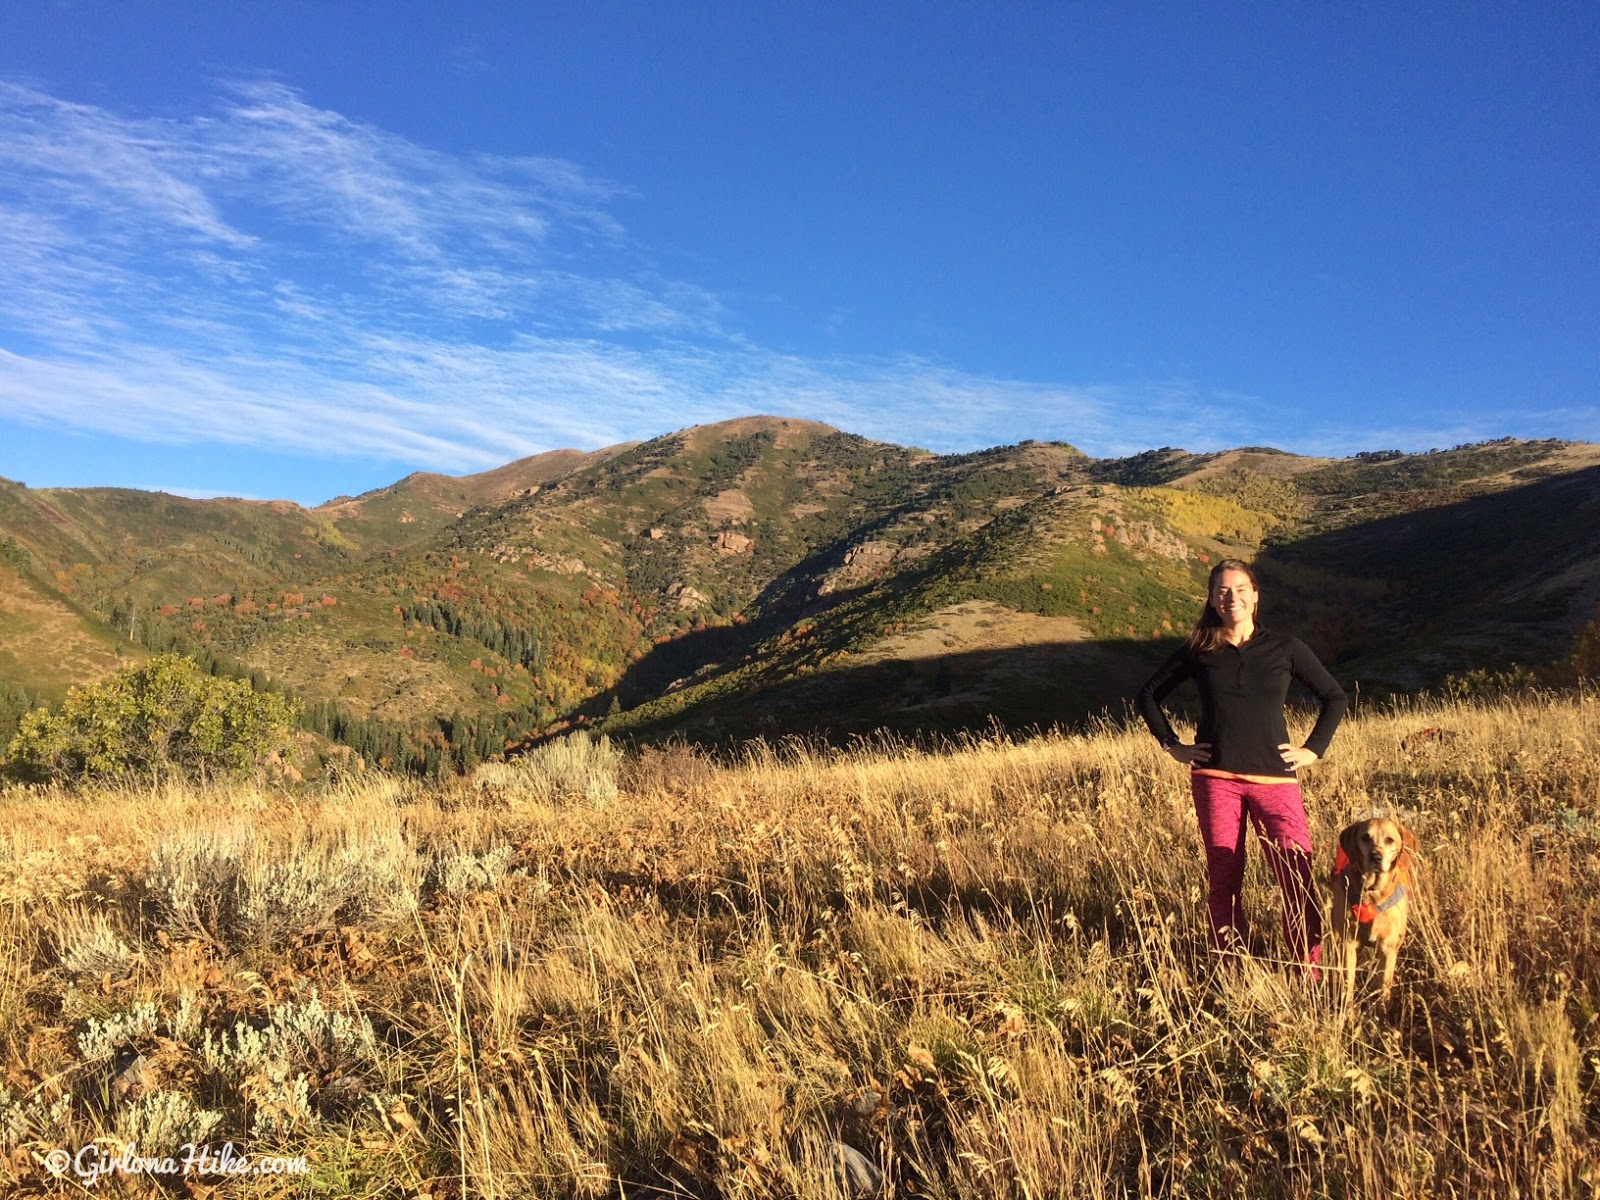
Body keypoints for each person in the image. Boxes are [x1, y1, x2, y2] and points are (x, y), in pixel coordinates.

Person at [1136, 559, 1347, 970]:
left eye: (1239, 590)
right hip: (1216, 779)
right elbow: (1147, 695)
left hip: (1276, 780)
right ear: (1213, 600)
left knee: (1297, 877)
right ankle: (1233, 971)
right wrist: (1173, 745)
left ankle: (1311, 973)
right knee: (1225, 879)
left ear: (1255, 597)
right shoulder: (1200, 649)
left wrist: (1313, 750)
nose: (1231, 598)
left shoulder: (1285, 647)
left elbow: (1334, 696)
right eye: (1222, 591)